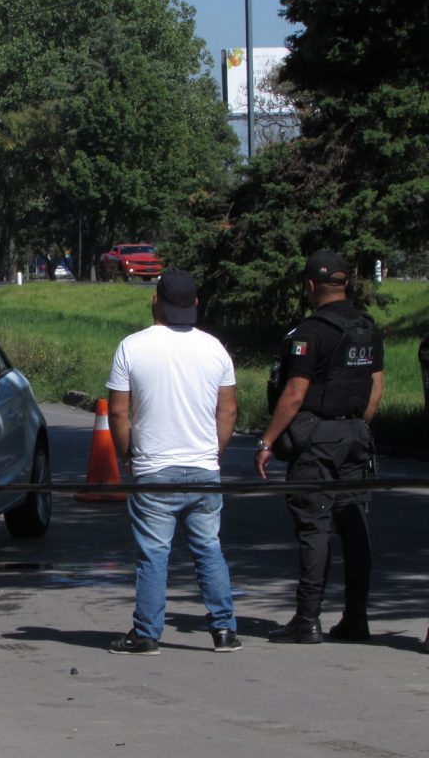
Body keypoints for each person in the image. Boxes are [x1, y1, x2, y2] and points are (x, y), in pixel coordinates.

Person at [106, 268, 241, 655]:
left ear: (156, 301)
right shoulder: (216, 349)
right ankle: (225, 631)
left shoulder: (131, 347)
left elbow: (118, 414)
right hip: (204, 469)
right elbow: (228, 411)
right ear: (196, 304)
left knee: (153, 553)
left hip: (152, 470)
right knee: (208, 548)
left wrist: (127, 454)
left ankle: (147, 634)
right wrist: (213, 453)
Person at [257, 250, 384, 644]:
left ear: (311, 286)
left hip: (317, 439)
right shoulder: (367, 327)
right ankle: (356, 617)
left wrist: (268, 440)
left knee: (314, 525)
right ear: (346, 283)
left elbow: (294, 394)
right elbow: (376, 387)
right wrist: (357, 426)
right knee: (353, 524)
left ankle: (307, 618)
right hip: (356, 435)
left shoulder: (310, 333)